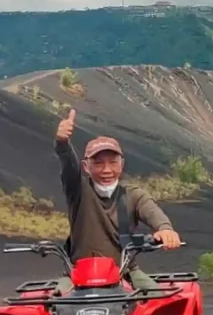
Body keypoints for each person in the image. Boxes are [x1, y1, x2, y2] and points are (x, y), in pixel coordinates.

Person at [53, 109, 181, 294]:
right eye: (98, 163)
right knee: (55, 307)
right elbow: (68, 166)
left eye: (113, 162)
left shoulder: (134, 195)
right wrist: (62, 144)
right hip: (77, 273)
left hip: (125, 271)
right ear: (85, 167)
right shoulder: (78, 190)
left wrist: (166, 229)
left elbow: (151, 211)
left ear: (122, 164)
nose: (107, 170)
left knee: (159, 303)